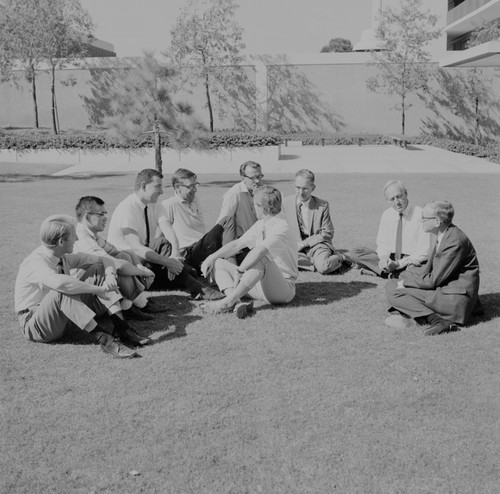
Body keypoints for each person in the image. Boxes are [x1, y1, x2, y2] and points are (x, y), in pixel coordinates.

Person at [14, 215, 152, 359]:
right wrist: (99, 290)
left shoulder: (62, 256)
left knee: (98, 269)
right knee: (61, 290)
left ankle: (122, 328)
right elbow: (61, 284)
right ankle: (106, 341)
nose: (78, 240)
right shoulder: (35, 262)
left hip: (64, 317)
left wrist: (110, 276)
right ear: (61, 241)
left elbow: (105, 259)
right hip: (35, 324)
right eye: (74, 236)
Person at [107, 168, 223, 300]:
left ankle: (189, 282)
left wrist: (174, 255)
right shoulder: (127, 208)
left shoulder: (154, 205)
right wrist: (168, 262)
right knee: (167, 251)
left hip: (147, 259)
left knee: (190, 271)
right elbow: (136, 248)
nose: (162, 192)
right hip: (130, 265)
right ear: (143, 186)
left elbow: (168, 230)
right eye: (158, 187)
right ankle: (200, 290)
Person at [385, 201, 482, 336]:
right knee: (398, 280)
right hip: (448, 288)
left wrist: (405, 283)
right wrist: (407, 275)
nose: (421, 221)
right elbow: (433, 269)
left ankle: (437, 320)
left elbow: (433, 281)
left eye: (424, 218)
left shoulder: (454, 241)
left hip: (454, 298)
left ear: (436, 221)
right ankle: (416, 315)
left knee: (394, 289)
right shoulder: (446, 234)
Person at [200, 186, 298, 319]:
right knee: (219, 262)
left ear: (262, 208)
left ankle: (227, 302)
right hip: (258, 284)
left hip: (282, 288)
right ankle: (236, 302)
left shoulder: (282, 226)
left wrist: (240, 270)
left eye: (254, 205)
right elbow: (237, 244)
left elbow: (259, 251)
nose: (253, 208)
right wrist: (211, 257)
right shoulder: (261, 224)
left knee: (262, 258)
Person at [74, 196, 165, 321]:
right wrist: (144, 272)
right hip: (87, 301)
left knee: (124, 256)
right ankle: (138, 304)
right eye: (101, 214)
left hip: (100, 292)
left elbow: (120, 252)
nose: (106, 218)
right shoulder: (82, 238)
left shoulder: (91, 235)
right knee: (115, 265)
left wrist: (139, 266)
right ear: (87, 217)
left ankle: (130, 305)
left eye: (105, 213)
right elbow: (116, 264)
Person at [158, 168, 235, 274]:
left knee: (236, 238)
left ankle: (230, 261)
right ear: (177, 187)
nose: (195, 189)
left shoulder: (195, 200)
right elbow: (162, 233)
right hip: (189, 253)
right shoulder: (169, 204)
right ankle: (232, 266)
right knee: (227, 220)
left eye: (196, 184)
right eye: (191, 186)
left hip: (201, 247)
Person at [350, 180, 432, 278]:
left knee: (422, 267)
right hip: (391, 258)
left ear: (406, 193)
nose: (397, 202)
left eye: (399, 196)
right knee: (356, 252)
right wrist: (384, 258)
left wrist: (398, 264)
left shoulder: (420, 214)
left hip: (410, 260)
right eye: (392, 199)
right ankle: (393, 273)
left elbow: (425, 250)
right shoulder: (387, 214)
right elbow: (382, 243)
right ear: (387, 201)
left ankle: (388, 274)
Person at [282, 169, 350, 274]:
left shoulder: (322, 205)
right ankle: (314, 262)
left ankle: (341, 257)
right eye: (297, 187)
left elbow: (327, 232)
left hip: (317, 245)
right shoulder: (285, 203)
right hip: (294, 246)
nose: (300, 192)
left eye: (305, 189)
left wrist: (304, 244)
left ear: (313, 188)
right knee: (279, 257)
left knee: (323, 268)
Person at [216, 160, 263, 241]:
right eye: (253, 178)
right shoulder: (234, 194)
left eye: (259, 177)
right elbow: (224, 222)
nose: (257, 181)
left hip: (259, 240)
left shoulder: (264, 192)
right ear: (243, 178)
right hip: (242, 244)